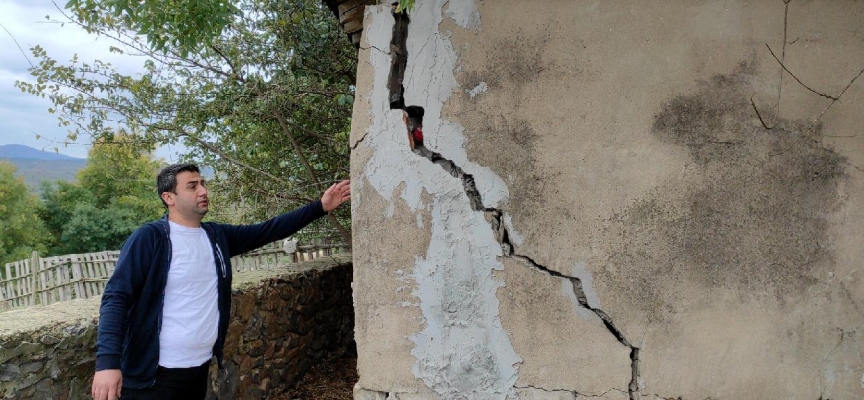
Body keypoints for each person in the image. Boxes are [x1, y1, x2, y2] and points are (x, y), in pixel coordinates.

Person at [91, 163, 350, 400]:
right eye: (192, 186)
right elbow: (116, 298)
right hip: (154, 376)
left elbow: (269, 230)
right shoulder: (150, 238)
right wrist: (107, 363)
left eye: (203, 184)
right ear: (168, 198)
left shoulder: (216, 236)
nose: (203, 190)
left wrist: (320, 207)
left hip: (198, 367)